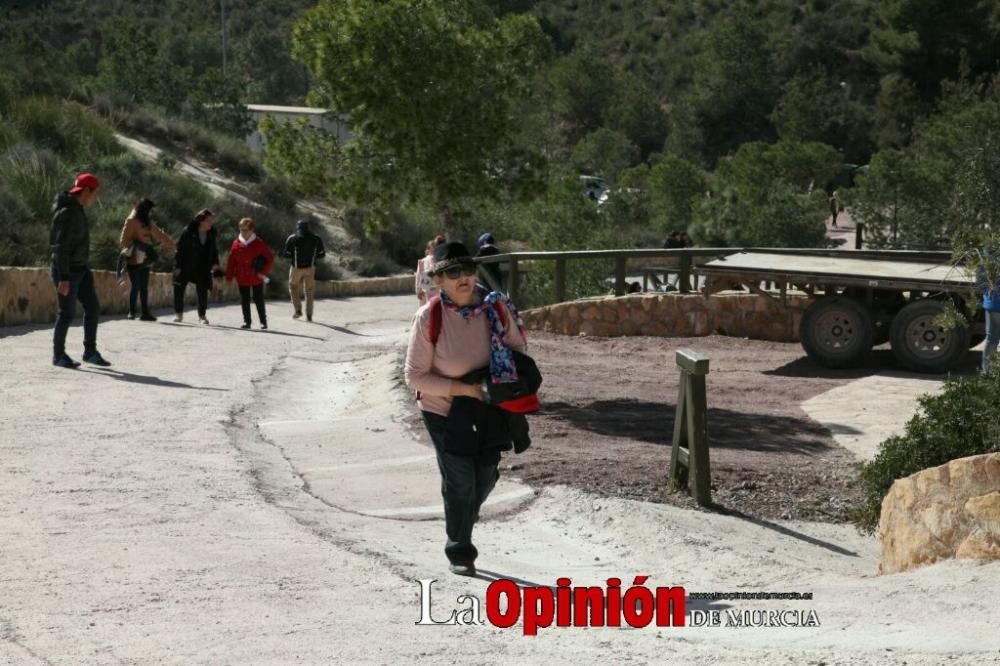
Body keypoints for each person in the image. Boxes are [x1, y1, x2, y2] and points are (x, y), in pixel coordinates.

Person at [404, 241, 528, 577]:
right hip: (443, 407)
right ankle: (459, 548)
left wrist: (504, 382)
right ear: (439, 279)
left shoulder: (494, 308)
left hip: (488, 405)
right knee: (460, 478)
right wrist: (464, 388)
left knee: (484, 476)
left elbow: (519, 349)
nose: (464, 277)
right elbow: (414, 376)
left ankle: (462, 517)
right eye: (454, 272)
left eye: (468, 270)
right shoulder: (429, 317)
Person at [49, 172, 111, 368]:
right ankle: (58, 356)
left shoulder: (77, 209)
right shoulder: (68, 213)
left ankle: (90, 352)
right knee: (66, 313)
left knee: (92, 307)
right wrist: (64, 278)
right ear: (86, 191)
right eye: (94, 193)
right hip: (67, 272)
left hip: (81, 269)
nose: (95, 198)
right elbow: (60, 247)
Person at [119, 197, 176, 321]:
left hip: (145, 258)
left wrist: (173, 246)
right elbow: (123, 240)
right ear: (145, 209)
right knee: (135, 286)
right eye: (150, 210)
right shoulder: (131, 221)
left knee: (144, 286)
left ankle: (145, 313)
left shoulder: (146, 221)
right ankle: (132, 312)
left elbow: (159, 235)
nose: (152, 213)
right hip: (134, 257)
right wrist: (136, 246)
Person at [173, 209, 221, 324]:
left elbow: (213, 250)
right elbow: (179, 249)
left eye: (211, 220)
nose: (211, 223)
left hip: (203, 266)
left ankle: (202, 316)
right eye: (208, 220)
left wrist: (215, 262)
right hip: (186, 265)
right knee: (179, 289)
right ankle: (178, 314)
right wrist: (178, 265)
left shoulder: (211, 233)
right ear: (201, 221)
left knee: (202, 291)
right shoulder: (188, 232)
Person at [226, 217, 274, 330]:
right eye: (241, 229)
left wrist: (263, 272)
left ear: (252, 230)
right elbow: (231, 261)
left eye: (246, 230)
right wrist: (229, 276)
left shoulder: (259, 243)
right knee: (244, 300)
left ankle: (263, 322)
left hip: (255, 276)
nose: (243, 232)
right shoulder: (236, 243)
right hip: (242, 276)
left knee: (258, 299)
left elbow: (270, 258)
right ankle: (246, 322)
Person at [282, 219, 326, 321]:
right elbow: (322, 254)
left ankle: (298, 310)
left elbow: (286, 254)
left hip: (296, 268)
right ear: (308, 227)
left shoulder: (292, 238)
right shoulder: (316, 238)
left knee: (293, 287)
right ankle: (309, 315)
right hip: (311, 268)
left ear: (298, 227)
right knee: (309, 291)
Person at [977, 254, 1000, 372]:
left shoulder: (989, 249)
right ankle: (988, 373)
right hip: (994, 302)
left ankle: (988, 373)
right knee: (992, 338)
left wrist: (987, 293)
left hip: (993, 302)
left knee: (992, 339)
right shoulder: (990, 250)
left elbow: (980, 280)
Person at [415, 234, 446, 305]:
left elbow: (418, 276)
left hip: (426, 290)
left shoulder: (422, 261)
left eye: (428, 248)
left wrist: (418, 290)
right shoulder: (441, 260)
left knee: (426, 310)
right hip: (438, 289)